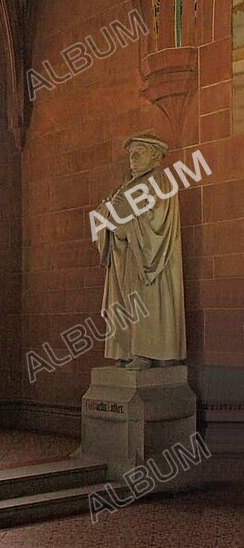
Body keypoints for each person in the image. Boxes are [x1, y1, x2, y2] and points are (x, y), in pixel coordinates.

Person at [93, 130, 186, 369]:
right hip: (124, 257)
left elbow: (157, 221)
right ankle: (126, 350)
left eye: (139, 152)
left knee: (148, 302)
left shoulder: (160, 180)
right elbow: (110, 212)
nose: (132, 157)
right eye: (131, 153)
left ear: (155, 156)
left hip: (149, 259)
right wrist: (106, 214)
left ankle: (148, 352)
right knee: (123, 304)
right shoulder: (125, 183)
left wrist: (125, 224)